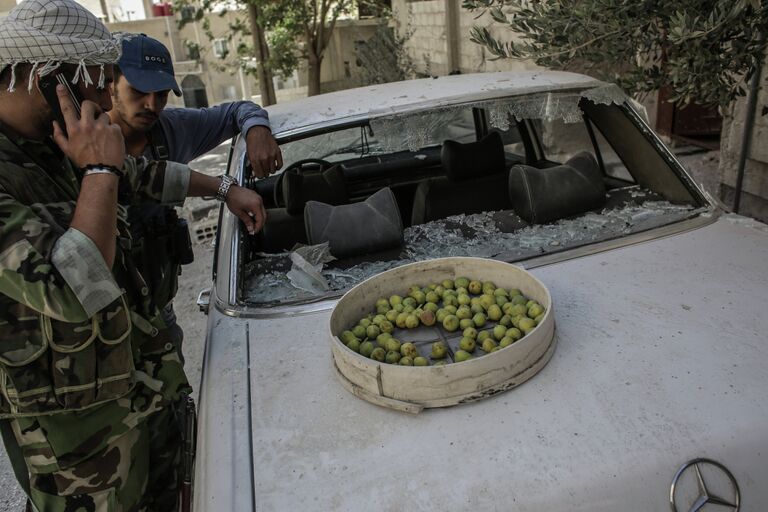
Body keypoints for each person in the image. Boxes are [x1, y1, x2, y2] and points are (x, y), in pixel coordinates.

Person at [0, 1, 267, 510]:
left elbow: (139, 175)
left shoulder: (54, 137)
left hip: (144, 393)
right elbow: (78, 290)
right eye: (99, 83)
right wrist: (100, 173)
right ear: (46, 76)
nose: (107, 98)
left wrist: (223, 187)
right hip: (82, 445)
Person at [107, 33, 282, 357]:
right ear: (110, 83)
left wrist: (257, 127)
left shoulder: (172, 127)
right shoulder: (79, 140)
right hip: (99, 324)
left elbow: (237, 110)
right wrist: (224, 189)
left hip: (158, 312)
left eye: (161, 94)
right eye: (138, 92)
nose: (151, 104)